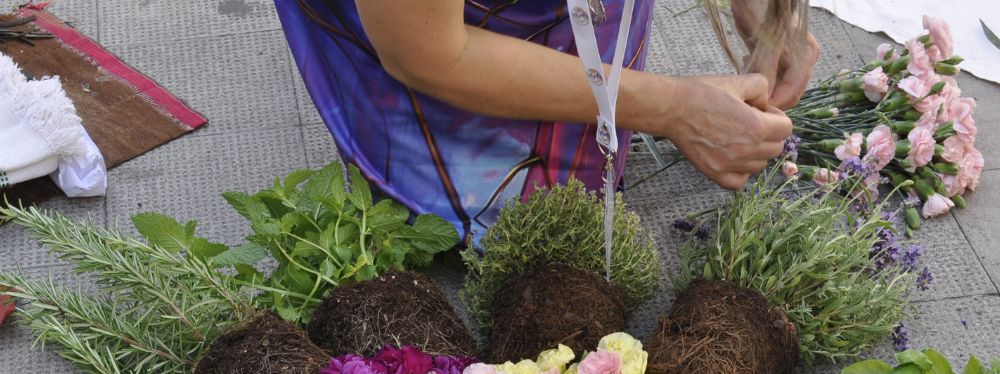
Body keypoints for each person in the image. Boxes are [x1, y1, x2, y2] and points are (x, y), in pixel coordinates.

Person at [275, 0, 819, 242]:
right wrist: (671, 107)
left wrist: (773, 10)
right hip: (422, 30)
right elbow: (426, 51)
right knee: (491, 217)